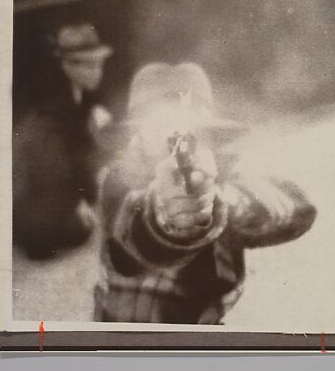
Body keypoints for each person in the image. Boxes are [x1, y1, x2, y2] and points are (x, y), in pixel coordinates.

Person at [94, 62, 317, 324]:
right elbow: (143, 224)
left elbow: (297, 206)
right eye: (162, 128)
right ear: (136, 137)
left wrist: (224, 201)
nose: (176, 144)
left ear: (211, 139)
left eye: (191, 132)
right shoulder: (117, 183)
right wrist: (172, 216)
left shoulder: (226, 183)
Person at [13, 23, 114, 259]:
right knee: (82, 231)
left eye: (99, 64)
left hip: (57, 194)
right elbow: (52, 166)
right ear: (67, 65)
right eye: (89, 65)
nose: (97, 72)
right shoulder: (52, 109)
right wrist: (77, 202)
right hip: (40, 208)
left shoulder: (78, 97)